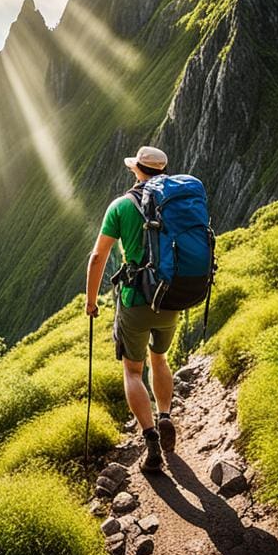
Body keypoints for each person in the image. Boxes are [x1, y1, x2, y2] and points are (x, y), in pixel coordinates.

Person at [85, 145, 178, 472]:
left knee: (133, 371)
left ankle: (151, 437)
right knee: (160, 359)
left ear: (137, 170)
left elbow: (97, 258)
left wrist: (91, 301)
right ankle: (166, 415)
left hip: (136, 300)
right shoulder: (176, 203)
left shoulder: (121, 206)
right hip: (170, 298)